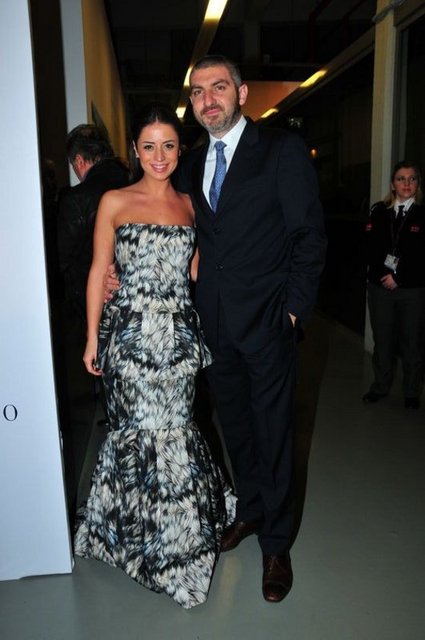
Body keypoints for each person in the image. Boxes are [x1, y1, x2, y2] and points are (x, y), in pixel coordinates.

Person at [177, 55, 327, 603]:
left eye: (218, 88)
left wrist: (293, 311)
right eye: (198, 92)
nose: (208, 100)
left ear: (241, 94)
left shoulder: (281, 150)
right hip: (214, 324)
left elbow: (308, 235)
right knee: (237, 429)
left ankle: (277, 544)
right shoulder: (191, 163)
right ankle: (251, 509)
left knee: (273, 432)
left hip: (268, 321)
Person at [74, 103, 235, 610]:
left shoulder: (190, 205)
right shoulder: (115, 201)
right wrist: (92, 338)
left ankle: (178, 546)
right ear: (135, 150)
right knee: (137, 433)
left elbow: (196, 270)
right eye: (149, 146)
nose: (159, 155)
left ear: (179, 150)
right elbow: (98, 270)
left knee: (175, 431)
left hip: (178, 342)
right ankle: (133, 536)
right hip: (130, 340)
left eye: (168, 145)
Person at [362, 161, 425, 409]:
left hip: (412, 291)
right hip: (380, 289)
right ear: (392, 184)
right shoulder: (379, 213)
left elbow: (421, 257)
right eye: (401, 179)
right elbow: (369, 249)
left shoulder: (422, 215)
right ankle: (380, 386)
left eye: (412, 178)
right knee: (383, 340)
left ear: (418, 184)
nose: (406, 183)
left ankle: (411, 392)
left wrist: (399, 277)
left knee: (412, 342)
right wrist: (384, 276)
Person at [57, 124, 129, 323]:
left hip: (91, 303)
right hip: (134, 299)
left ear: (79, 160)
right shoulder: (133, 182)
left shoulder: (76, 199)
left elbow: (64, 262)